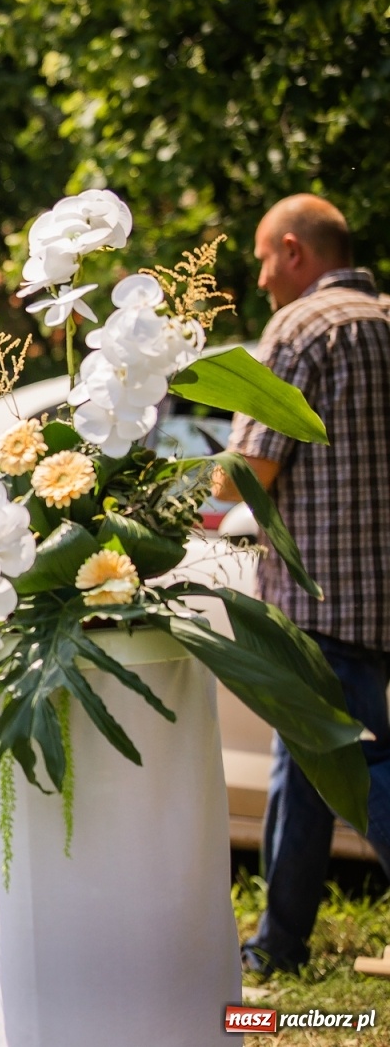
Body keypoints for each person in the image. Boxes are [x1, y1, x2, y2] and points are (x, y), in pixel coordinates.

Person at [217, 192, 390, 974]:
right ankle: (279, 943)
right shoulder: (385, 321)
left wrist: (192, 492)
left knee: (363, 771)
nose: (258, 279)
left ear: (294, 250)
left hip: (320, 594)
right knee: (308, 768)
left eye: (261, 258)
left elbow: (248, 474)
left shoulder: (301, 328)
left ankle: (277, 943)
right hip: (380, 592)